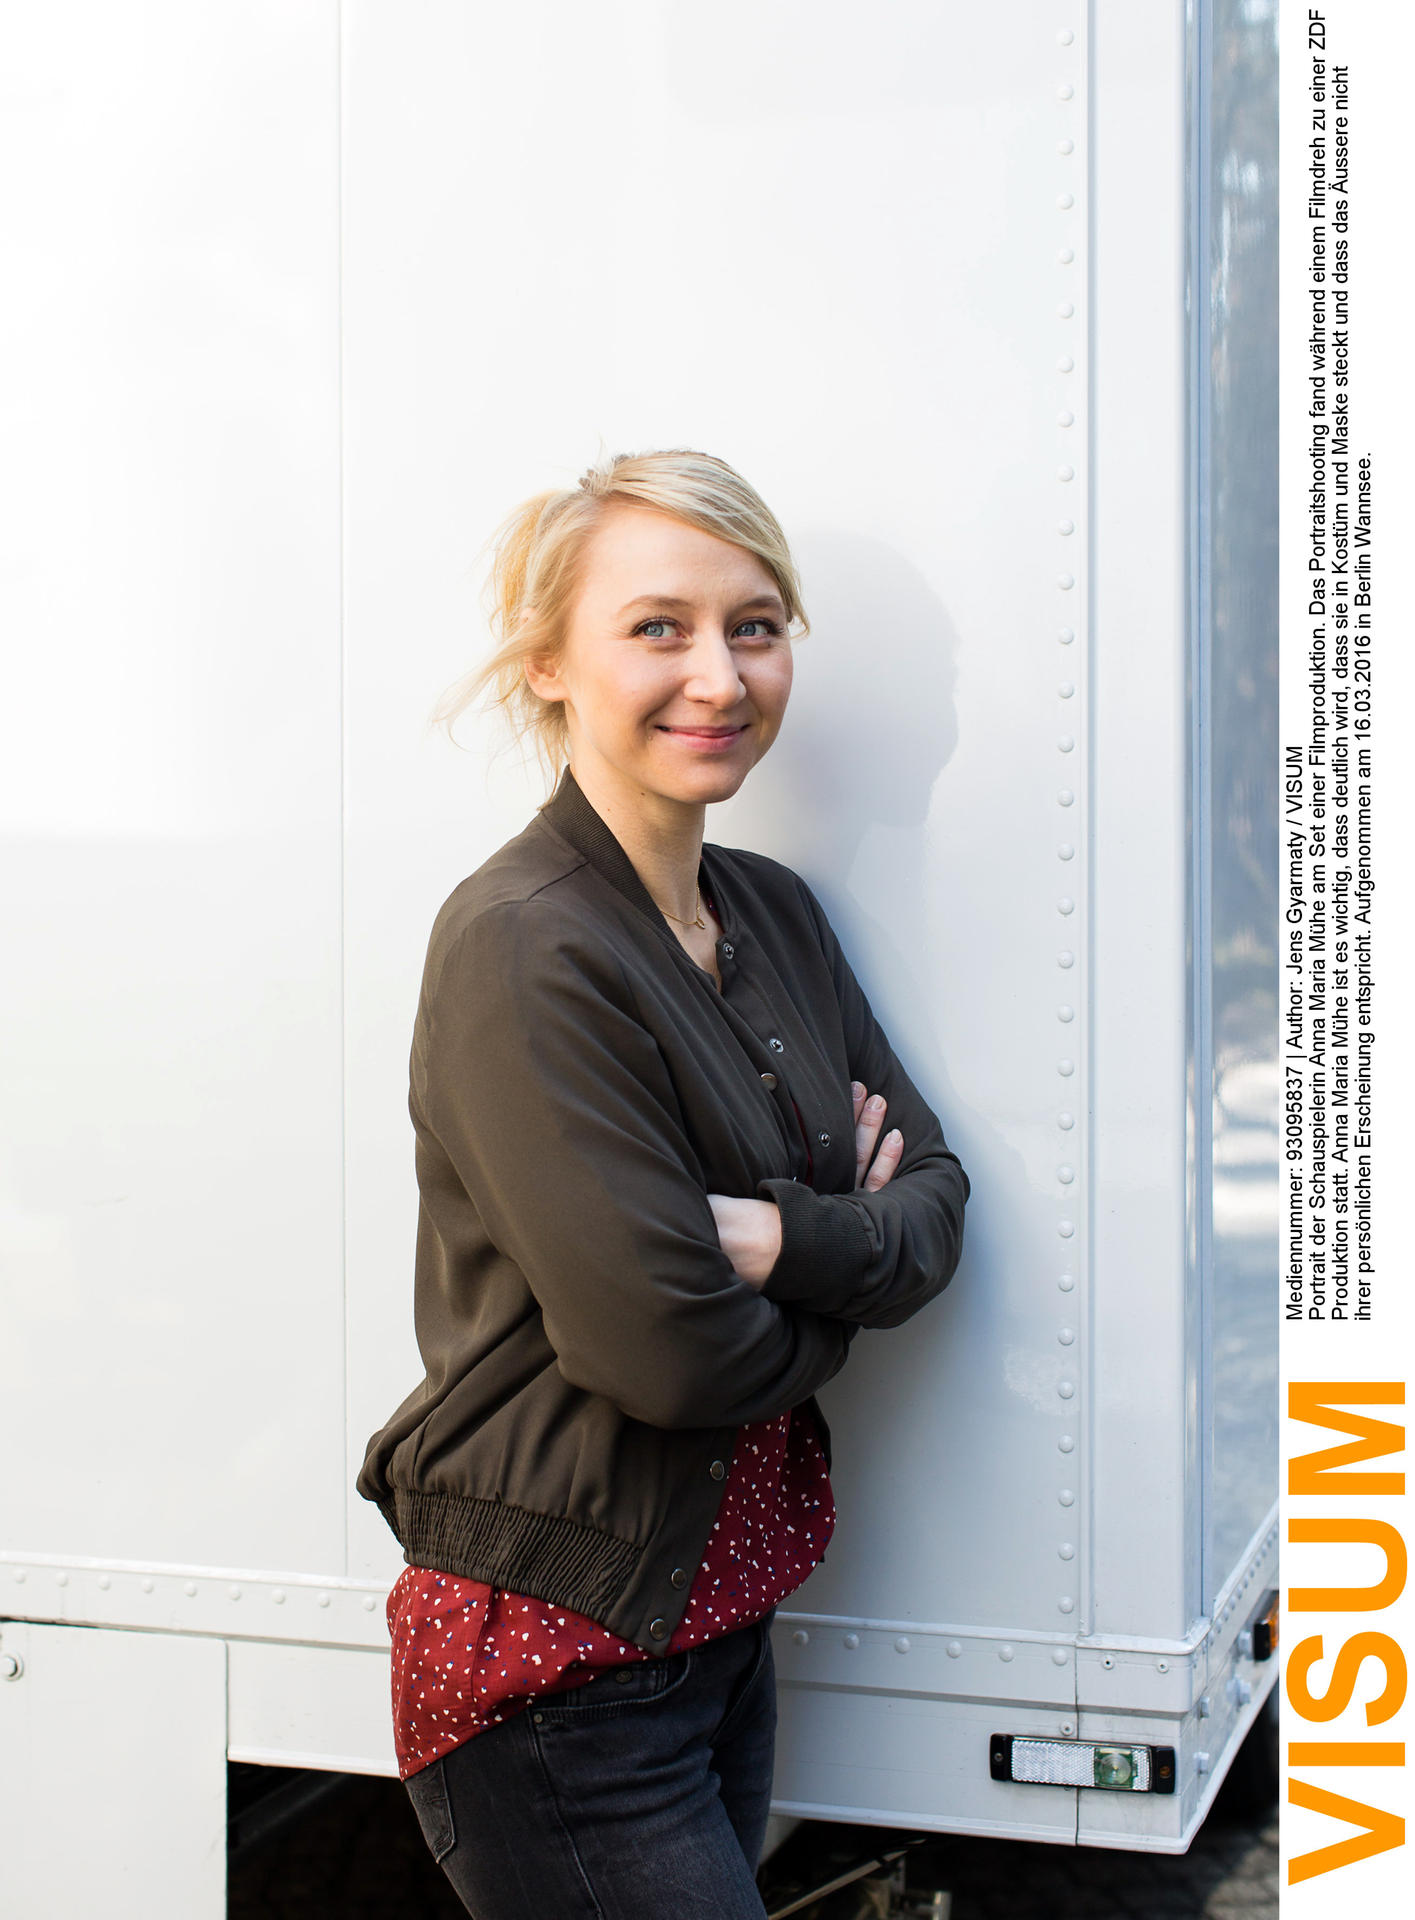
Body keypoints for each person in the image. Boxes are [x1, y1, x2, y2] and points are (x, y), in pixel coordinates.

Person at [356, 448, 970, 1918]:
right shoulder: (524, 943)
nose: (719, 675)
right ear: (549, 662)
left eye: (754, 626)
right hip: (560, 1662)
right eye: (658, 627)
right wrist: (839, 1265)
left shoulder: (775, 913)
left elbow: (938, 1202)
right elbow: (671, 1356)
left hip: (716, 1627)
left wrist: (771, 1241)